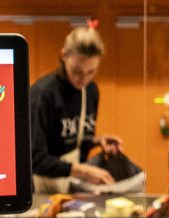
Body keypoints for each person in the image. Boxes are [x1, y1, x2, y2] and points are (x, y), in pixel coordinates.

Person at [29, 26, 119, 191]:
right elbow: (34, 158)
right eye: (77, 71)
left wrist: (95, 142)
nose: (83, 80)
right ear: (63, 55)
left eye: (91, 72)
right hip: (40, 185)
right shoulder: (43, 95)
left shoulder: (91, 91)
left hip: (71, 185)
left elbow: (65, 142)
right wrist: (83, 171)